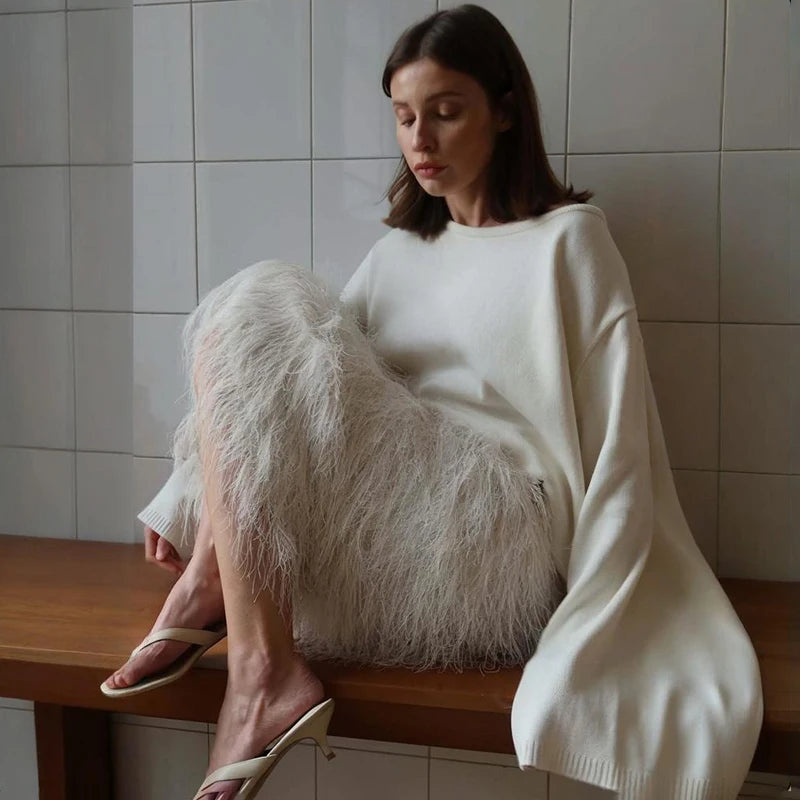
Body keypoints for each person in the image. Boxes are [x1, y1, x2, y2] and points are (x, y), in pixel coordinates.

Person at [101, 5, 764, 800]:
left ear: (506, 110)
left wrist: (606, 609)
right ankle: (234, 607)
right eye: (405, 117)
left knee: (262, 296)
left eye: (447, 112)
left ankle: (257, 667)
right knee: (268, 314)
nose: (420, 138)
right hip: (399, 563)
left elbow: (623, 439)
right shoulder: (398, 254)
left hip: (499, 550)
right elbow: (290, 394)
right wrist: (187, 504)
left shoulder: (569, 241)